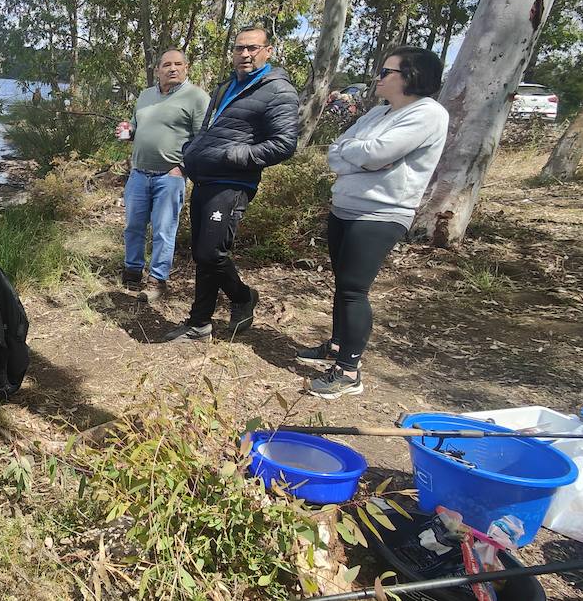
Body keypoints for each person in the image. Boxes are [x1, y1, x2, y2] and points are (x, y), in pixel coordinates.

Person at [298, 46, 449, 398]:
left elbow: (378, 154)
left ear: (409, 77)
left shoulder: (428, 113)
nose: (377, 78)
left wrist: (363, 154)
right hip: (345, 207)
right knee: (342, 283)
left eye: (385, 73)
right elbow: (338, 150)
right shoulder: (379, 113)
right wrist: (361, 156)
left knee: (354, 289)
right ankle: (336, 347)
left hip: (381, 212)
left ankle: (349, 372)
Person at [162, 26, 299, 342]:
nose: (245, 54)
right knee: (202, 254)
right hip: (205, 179)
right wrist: (190, 155)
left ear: (268, 50)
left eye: (252, 48)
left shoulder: (278, 91)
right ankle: (199, 323)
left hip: (231, 182)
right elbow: (210, 129)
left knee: (211, 254)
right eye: (239, 48)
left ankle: (242, 297)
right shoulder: (227, 86)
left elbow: (284, 144)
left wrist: (236, 155)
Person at [115, 49, 210, 302]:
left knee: (164, 230)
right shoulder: (146, 95)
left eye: (178, 64)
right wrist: (129, 129)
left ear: (186, 67)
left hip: (169, 176)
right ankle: (132, 272)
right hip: (138, 173)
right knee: (133, 226)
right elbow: (137, 124)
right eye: (167, 65)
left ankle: (157, 279)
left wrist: (182, 168)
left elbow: (203, 139)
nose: (173, 69)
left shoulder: (197, 97)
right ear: (157, 70)